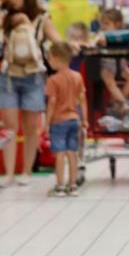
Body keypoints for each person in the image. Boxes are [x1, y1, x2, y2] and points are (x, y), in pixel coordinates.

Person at [0, 0, 62, 188]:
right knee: (9, 127)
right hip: (8, 77)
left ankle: (26, 171)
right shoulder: (7, 17)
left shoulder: (42, 18)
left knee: (31, 128)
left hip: (34, 76)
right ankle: (8, 173)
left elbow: (57, 40)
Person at [45, 42, 88, 197]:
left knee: (60, 154)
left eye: (49, 59)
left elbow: (52, 102)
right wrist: (85, 120)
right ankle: (73, 185)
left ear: (56, 58)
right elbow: (82, 99)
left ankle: (60, 186)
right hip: (74, 119)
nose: (49, 62)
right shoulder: (77, 77)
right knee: (72, 153)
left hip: (58, 121)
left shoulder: (53, 80)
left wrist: (47, 122)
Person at [97, 9, 129, 107]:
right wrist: (100, 42)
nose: (103, 26)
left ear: (118, 24)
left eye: (106, 24)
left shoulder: (124, 35)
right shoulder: (102, 35)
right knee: (109, 80)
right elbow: (97, 40)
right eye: (102, 24)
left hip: (122, 66)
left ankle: (118, 100)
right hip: (106, 66)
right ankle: (124, 103)